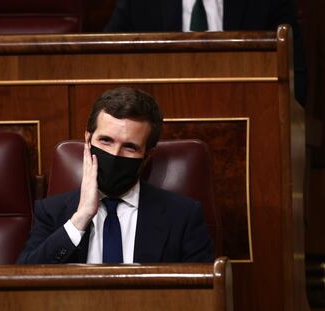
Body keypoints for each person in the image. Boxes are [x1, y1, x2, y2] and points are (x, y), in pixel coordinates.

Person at [17, 87, 214, 264]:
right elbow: (26, 284)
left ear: (148, 155)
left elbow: (202, 297)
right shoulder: (52, 212)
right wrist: (81, 217)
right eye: (105, 141)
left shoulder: (183, 216)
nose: (114, 155)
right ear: (87, 140)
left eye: (129, 147)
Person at [104, 0, 306, 105]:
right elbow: (107, 59)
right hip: (160, 116)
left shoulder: (269, 3)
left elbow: (294, 70)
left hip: (245, 114)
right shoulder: (136, 3)